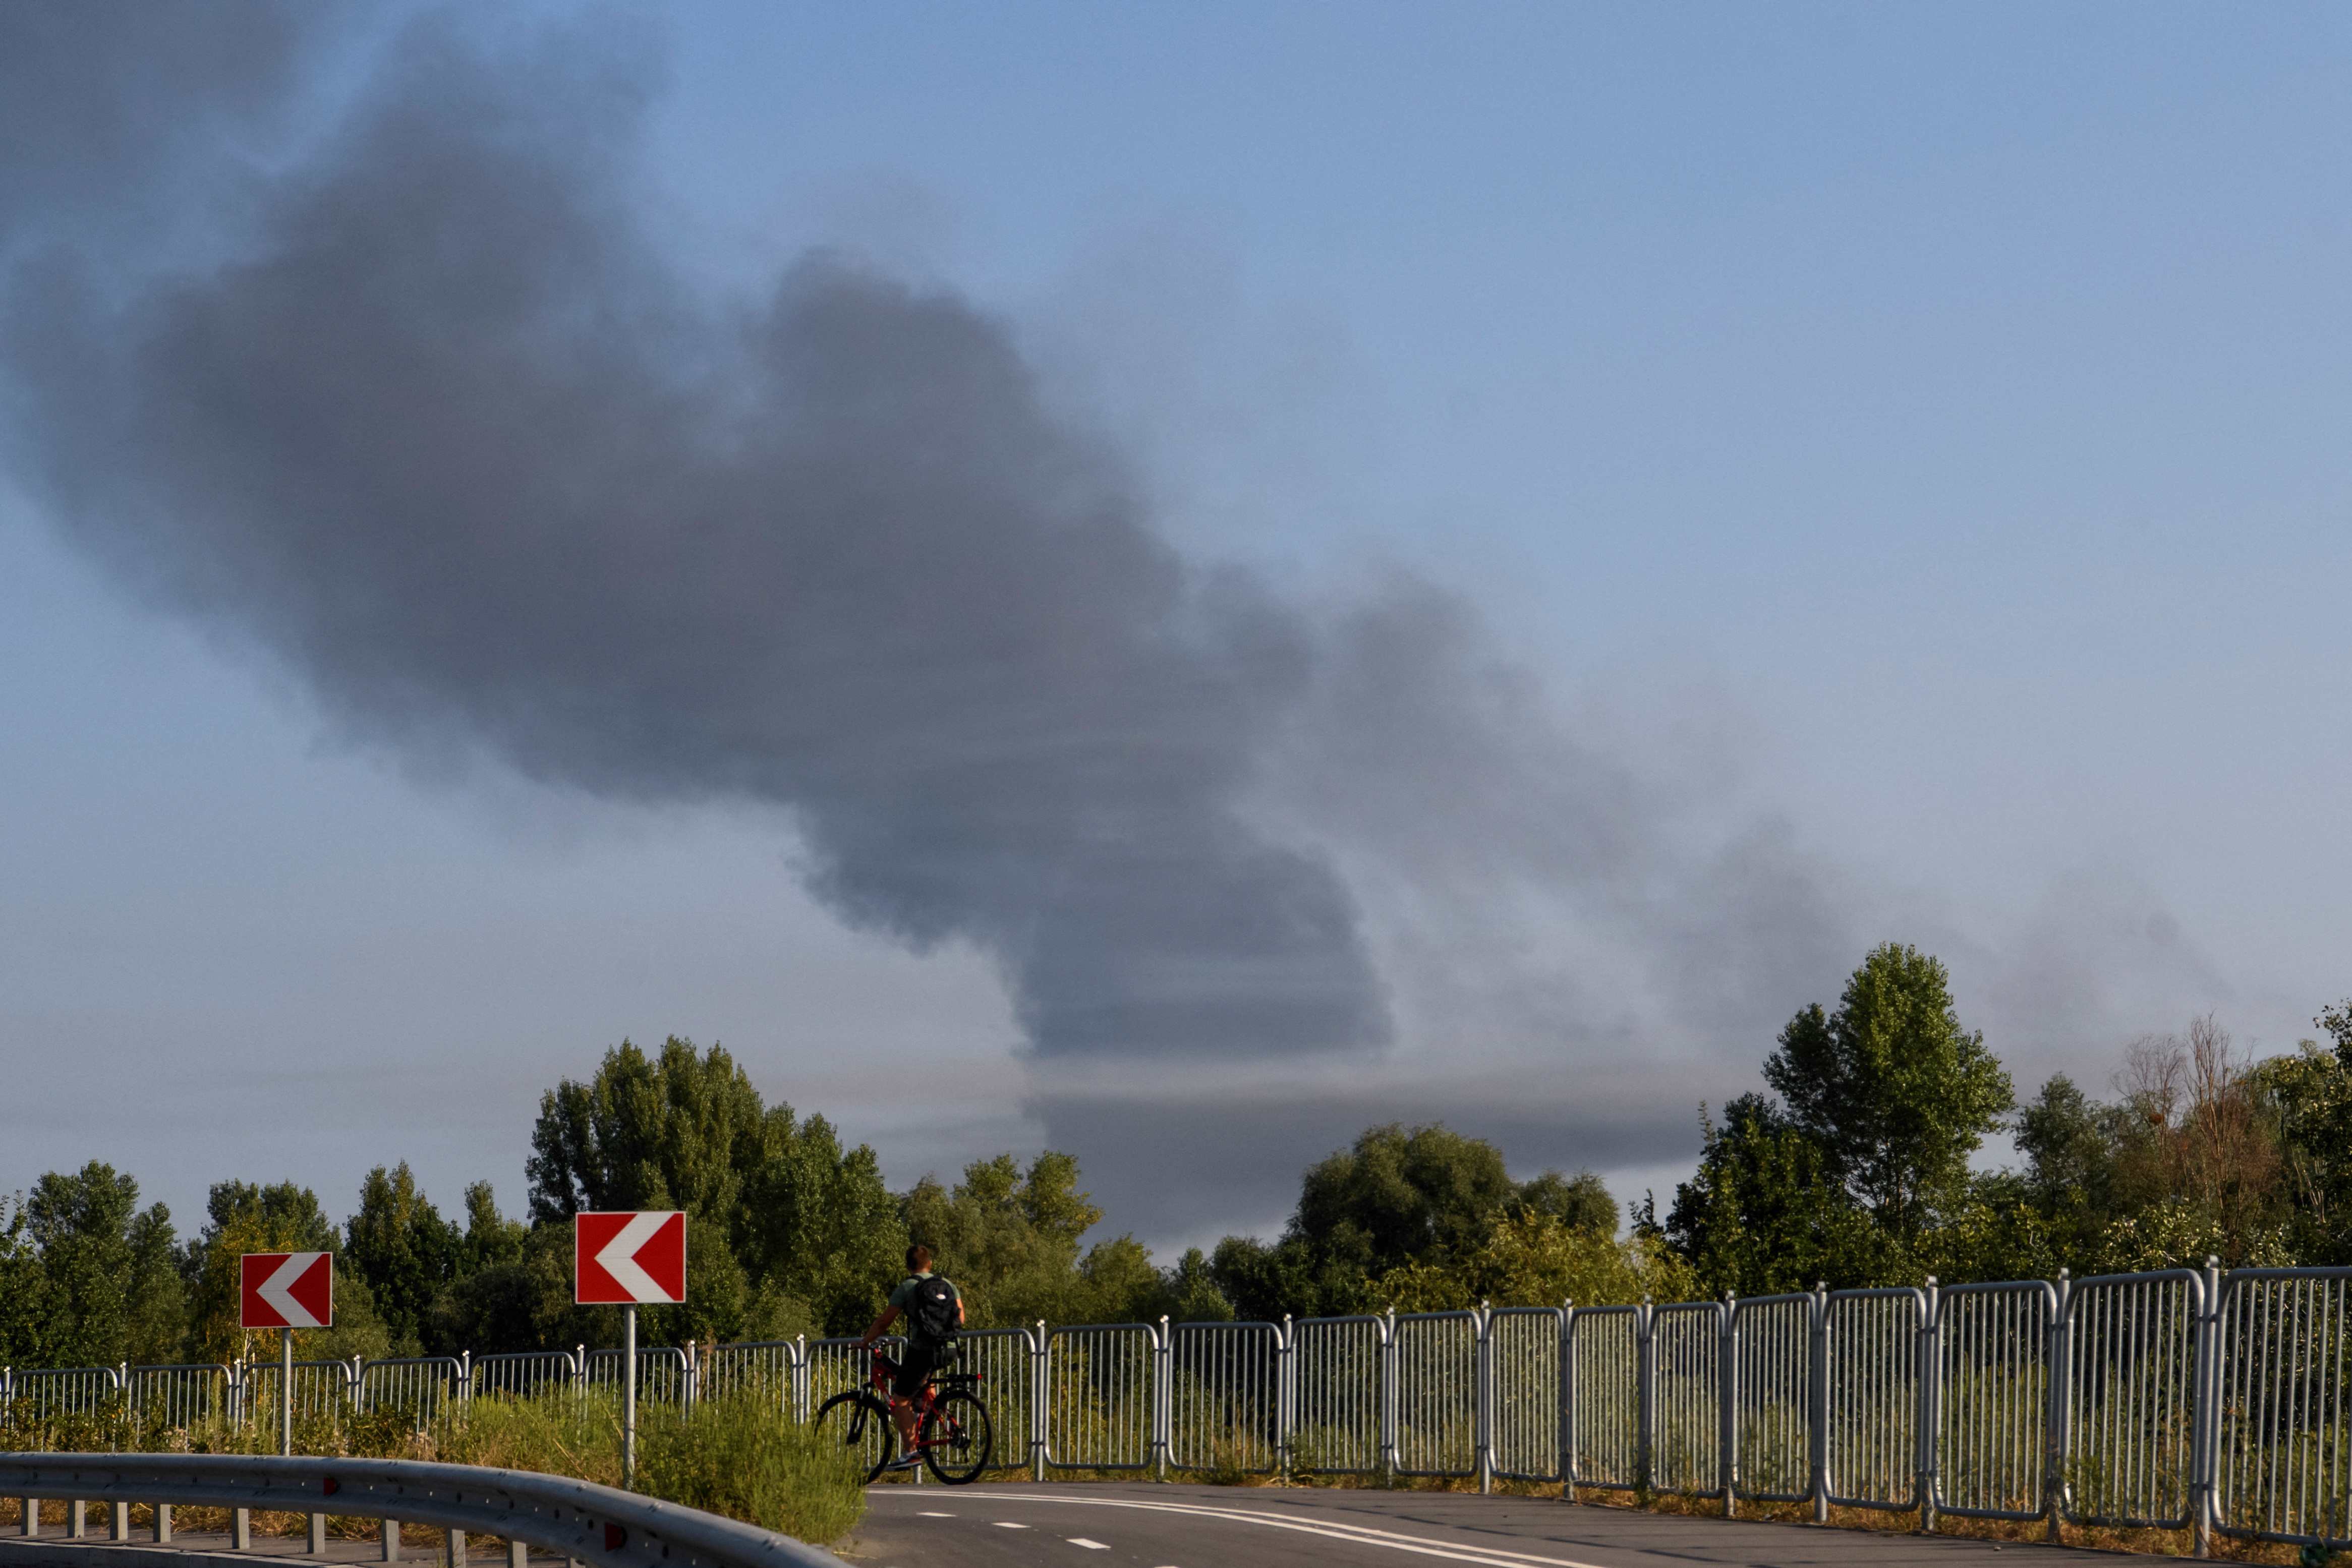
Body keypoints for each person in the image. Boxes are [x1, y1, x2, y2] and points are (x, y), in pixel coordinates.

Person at [859, 1243, 964, 1469]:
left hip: (923, 1350)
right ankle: (928, 1422)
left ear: (908, 1267)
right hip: (950, 1348)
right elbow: (961, 1318)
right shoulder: (948, 1285)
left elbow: (884, 1322)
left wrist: (865, 1341)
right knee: (923, 1389)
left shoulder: (907, 1287)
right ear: (930, 1264)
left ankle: (911, 1452)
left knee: (901, 1399)